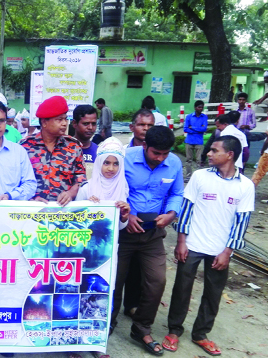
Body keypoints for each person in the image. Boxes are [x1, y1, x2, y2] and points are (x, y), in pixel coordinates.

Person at [162, 136, 254, 356]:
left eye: (214, 150)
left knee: (213, 293)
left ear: (229, 155)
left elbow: (241, 223)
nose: (209, 154)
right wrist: (181, 242)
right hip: (192, 244)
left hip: (220, 250)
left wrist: (227, 252)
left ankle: (200, 334)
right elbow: (186, 209)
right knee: (181, 289)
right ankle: (174, 331)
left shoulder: (245, 186)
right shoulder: (200, 177)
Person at [111, 125, 184, 356]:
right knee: (115, 280)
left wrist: (171, 214)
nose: (161, 158)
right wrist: (128, 214)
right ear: (144, 146)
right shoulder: (125, 158)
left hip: (154, 232)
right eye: (156, 153)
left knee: (157, 280)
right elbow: (111, 186)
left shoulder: (174, 163)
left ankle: (141, 328)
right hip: (123, 230)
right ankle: (106, 325)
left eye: (165, 153)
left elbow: (177, 193)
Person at [22, 96, 86, 205]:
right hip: (31, 210)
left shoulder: (73, 146)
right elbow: (17, 179)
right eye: (59, 120)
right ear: (44, 122)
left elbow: (81, 179)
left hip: (63, 212)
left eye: (65, 119)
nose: (65, 123)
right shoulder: (26, 146)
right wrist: (30, 199)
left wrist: (70, 193)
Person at [75, 137, 131, 229]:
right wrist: (88, 206)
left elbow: (119, 227)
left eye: (116, 164)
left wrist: (124, 217)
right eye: (106, 163)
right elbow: (74, 219)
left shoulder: (122, 187)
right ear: (99, 163)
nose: (111, 168)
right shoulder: (86, 188)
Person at [71, 104, 99, 178]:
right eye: (86, 124)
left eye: (93, 124)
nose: (90, 127)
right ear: (74, 123)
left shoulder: (99, 152)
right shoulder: (63, 150)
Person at [183, 100, 208, 179]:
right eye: (199, 107)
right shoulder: (189, 117)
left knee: (199, 160)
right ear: (195, 107)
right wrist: (198, 129)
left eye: (202, 107)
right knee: (188, 160)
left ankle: (198, 177)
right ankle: (188, 176)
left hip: (199, 142)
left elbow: (204, 129)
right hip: (189, 141)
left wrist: (193, 127)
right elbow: (186, 129)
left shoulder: (204, 117)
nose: (200, 109)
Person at [236, 92, 256, 167]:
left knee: (245, 152)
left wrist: (247, 126)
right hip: (237, 135)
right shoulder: (235, 111)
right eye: (240, 99)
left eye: (243, 100)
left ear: (246, 101)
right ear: (237, 101)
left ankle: (242, 167)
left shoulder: (250, 111)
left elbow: (254, 124)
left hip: (246, 135)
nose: (241, 101)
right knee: (236, 151)